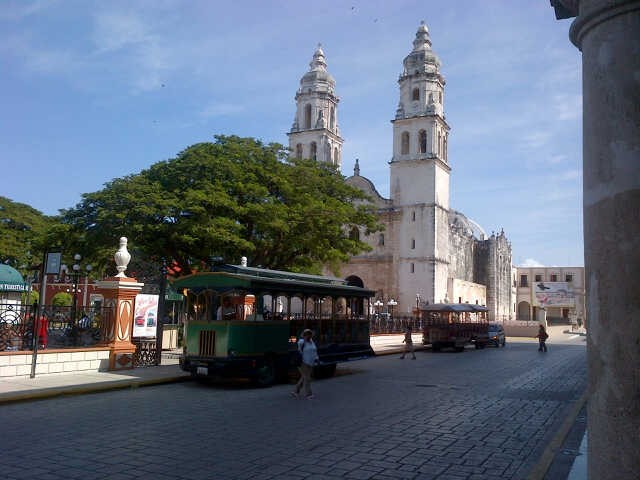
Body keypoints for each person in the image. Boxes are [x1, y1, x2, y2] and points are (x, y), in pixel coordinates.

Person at [291, 329, 319, 400]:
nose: (308, 335)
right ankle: (309, 394)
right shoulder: (301, 342)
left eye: (309, 334)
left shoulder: (312, 342)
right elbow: (299, 350)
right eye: (306, 334)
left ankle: (296, 391)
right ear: (304, 335)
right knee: (307, 378)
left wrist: (316, 358)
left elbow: (314, 351)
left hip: (310, 363)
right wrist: (304, 340)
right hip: (303, 363)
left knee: (304, 377)